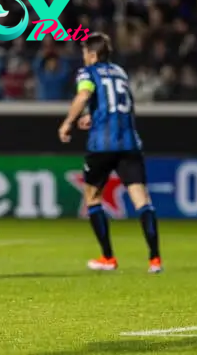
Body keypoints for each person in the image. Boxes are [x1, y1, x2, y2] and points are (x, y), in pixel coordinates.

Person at [58, 32, 162, 273]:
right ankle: (155, 260)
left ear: (92, 55)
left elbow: (83, 95)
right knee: (142, 200)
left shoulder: (88, 73)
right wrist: (93, 117)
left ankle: (108, 258)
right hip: (129, 142)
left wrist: (68, 122)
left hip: (102, 145)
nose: (84, 57)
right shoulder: (120, 72)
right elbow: (120, 104)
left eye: (85, 53)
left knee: (92, 197)